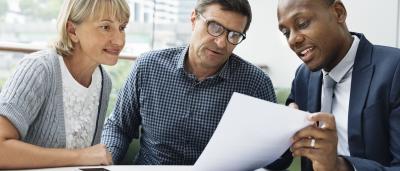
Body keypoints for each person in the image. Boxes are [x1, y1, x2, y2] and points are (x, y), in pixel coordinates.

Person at [101, 0, 289, 169]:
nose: (221, 42)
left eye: (234, 35)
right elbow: (118, 127)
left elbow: (273, 157)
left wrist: (287, 141)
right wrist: (105, 158)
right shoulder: (147, 67)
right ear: (193, 19)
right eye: (215, 27)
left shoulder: (255, 84)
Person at [0, 0, 130, 169]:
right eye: (105, 27)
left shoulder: (104, 81)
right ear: (72, 30)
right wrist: (79, 156)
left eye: (122, 27)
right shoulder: (40, 69)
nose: (119, 41)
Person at [277, 0, 400, 170]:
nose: (292, 40)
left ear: (338, 12)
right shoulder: (303, 76)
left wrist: (340, 166)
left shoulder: (394, 70)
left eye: (302, 23)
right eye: (285, 32)